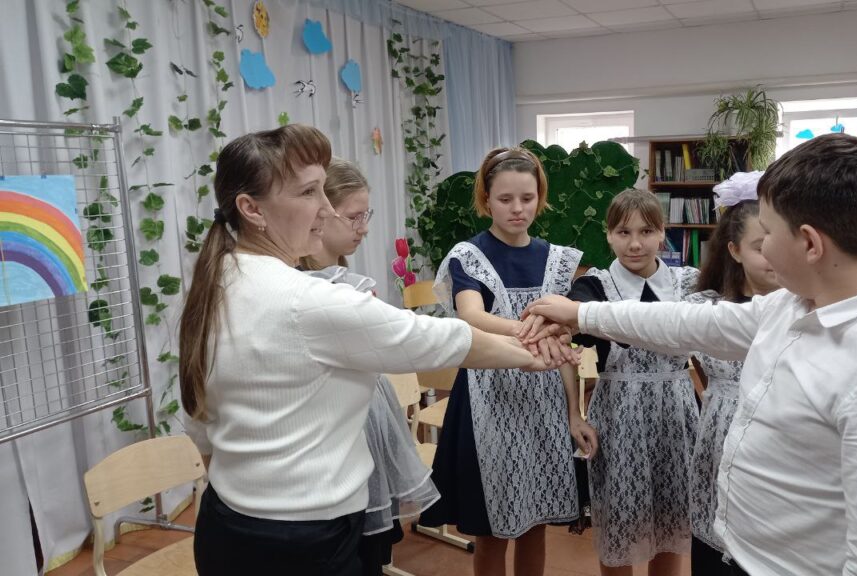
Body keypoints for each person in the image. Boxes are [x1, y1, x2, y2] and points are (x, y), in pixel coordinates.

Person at [523, 133, 857, 576]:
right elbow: (690, 323)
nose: (757, 252)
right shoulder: (795, 304)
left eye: (766, 234)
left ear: (809, 243)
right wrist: (579, 313)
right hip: (739, 553)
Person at [178, 125, 548, 576]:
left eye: (324, 190)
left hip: (227, 519)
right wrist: (537, 351)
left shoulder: (217, 277)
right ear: (251, 208)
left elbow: (200, 417)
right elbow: (431, 338)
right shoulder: (305, 298)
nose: (325, 208)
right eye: (309, 192)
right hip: (303, 538)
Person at [418, 147, 582, 576]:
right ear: (486, 200)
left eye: (527, 198)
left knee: (536, 524)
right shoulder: (468, 255)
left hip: (543, 404)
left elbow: (563, 350)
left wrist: (573, 413)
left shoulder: (556, 259)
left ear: (540, 198)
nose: (517, 208)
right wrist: (534, 330)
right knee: (489, 531)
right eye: (505, 199)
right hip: (486, 404)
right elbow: (471, 315)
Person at [298, 158, 436, 576]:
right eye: (354, 217)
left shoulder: (344, 279)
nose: (364, 228)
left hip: (368, 416)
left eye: (366, 215)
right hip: (341, 432)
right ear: (321, 214)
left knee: (372, 545)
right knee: (354, 544)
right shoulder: (314, 288)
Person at [557, 189, 699, 576]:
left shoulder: (688, 284)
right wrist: (574, 414)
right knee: (619, 527)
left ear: (662, 233)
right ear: (608, 235)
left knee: (671, 525)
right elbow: (561, 338)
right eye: (623, 232)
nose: (635, 244)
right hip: (619, 420)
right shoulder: (595, 287)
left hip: (677, 417)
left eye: (646, 231)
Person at [685, 172, 779, 576]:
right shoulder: (706, 307)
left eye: (779, 242)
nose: (773, 256)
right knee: (713, 552)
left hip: (774, 449)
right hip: (716, 444)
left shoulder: (802, 309)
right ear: (734, 250)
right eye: (760, 246)